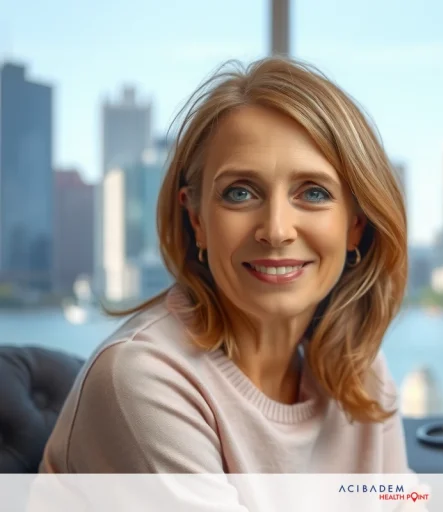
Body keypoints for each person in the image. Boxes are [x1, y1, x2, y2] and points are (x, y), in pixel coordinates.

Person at [39, 56, 411, 478]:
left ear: (355, 226)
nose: (276, 231)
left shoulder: (359, 368)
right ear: (197, 219)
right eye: (239, 193)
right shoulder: (145, 379)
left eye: (313, 193)